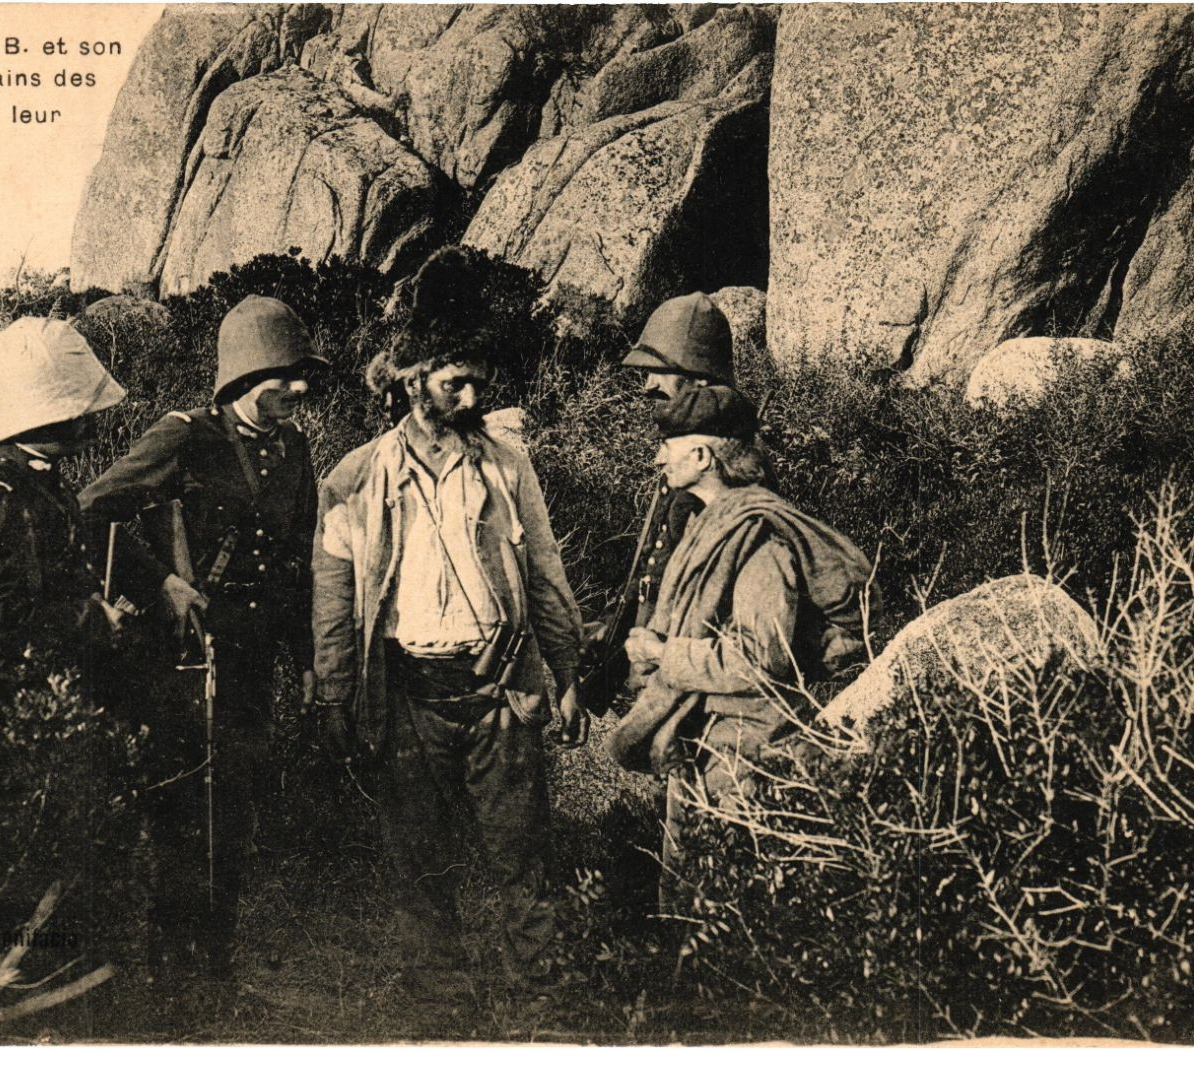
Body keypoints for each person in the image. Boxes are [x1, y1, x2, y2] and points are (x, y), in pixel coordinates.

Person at [310, 247, 584, 1002]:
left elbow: (545, 575)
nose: (469, 396)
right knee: (418, 857)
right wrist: (335, 698)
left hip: (501, 692)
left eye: (476, 380)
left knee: (520, 852)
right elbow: (333, 601)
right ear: (410, 380)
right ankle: (438, 1003)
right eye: (451, 381)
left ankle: (539, 999)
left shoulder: (508, 467)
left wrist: (565, 677)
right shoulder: (355, 476)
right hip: (407, 695)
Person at [78, 295, 326, 980]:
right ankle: (168, 963)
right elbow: (92, 512)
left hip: (250, 658)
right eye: (285, 375)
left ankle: (216, 955)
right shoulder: (186, 436)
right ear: (244, 376)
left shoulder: (294, 448)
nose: (299, 389)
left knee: (234, 807)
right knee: (181, 805)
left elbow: (296, 558)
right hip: (181, 656)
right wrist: (158, 582)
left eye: (302, 374)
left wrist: (304, 656)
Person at [604, 385, 871, 901]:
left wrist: (665, 656)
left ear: (702, 456)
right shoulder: (712, 522)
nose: (659, 456)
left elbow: (759, 657)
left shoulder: (759, 541)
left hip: (747, 746)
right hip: (711, 732)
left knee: (722, 902)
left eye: (669, 443)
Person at [0, 316, 154, 650]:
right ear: (42, 415)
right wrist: (92, 618)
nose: (94, 421)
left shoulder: (44, 480)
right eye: (80, 411)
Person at [579, 291, 742, 716]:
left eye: (660, 372)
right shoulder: (684, 454)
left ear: (698, 380)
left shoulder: (718, 470)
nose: (648, 385)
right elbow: (658, 555)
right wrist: (618, 625)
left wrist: (659, 650)